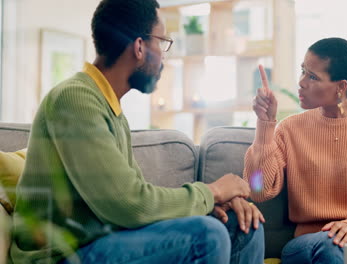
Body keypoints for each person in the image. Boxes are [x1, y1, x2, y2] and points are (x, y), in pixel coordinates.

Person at [11, 0, 265, 263]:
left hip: (104, 240)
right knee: (206, 236)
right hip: (59, 255)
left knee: (243, 227)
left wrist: (205, 206)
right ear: (140, 47)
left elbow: (132, 196)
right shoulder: (75, 99)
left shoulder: (109, 107)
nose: (164, 55)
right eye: (163, 41)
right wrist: (211, 192)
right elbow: (130, 205)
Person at [244, 37, 347, 264]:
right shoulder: (290, 129)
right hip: (308, 241)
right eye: (303, 71)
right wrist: (265, 124)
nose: (301, 82)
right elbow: (258, 189)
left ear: (341, 87)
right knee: (334, 245)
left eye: (312, 77)